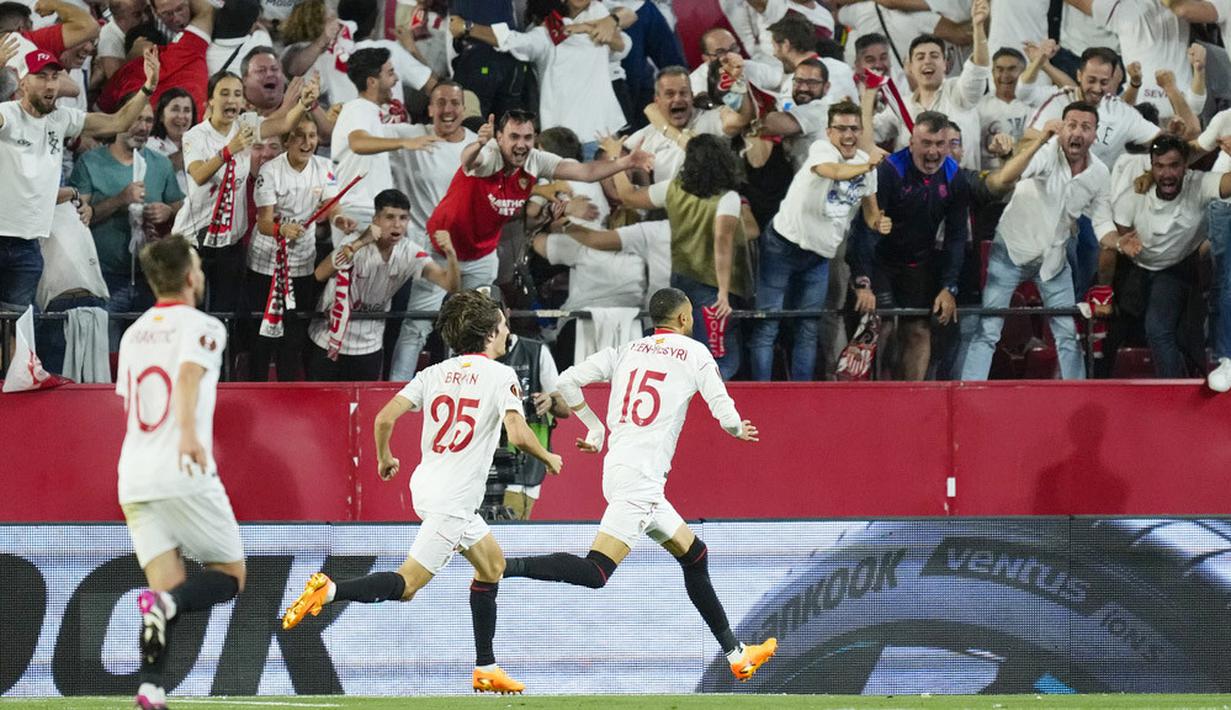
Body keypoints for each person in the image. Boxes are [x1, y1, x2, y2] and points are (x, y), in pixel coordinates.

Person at [282, 289, 562, 695]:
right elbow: (518, 434)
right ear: (489, 333)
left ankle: (486, 668)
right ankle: (329, 590)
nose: (507, 333)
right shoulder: (501, 376)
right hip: (453, 501)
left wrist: (384, 458)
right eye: (503, 326)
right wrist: (549, 456)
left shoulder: (433, 373)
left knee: (492, 566)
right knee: (408, 585)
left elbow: (383, 418)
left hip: (430, 487)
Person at [502, 286, 776, 681]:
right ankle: (505, 566)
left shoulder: (627, 350)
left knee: (695, 555)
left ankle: (737, 654)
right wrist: (737, 429)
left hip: (620, 471)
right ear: (683, 319)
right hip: (641, 482)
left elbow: (566, 380)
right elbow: (725, 412)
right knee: (596, 572)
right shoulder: (695, 353)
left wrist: (595, 427)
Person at [115, 236, 245, 710]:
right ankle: (166, 609)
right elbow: (188, 375)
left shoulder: (133, 334)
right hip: (181, 466)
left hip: (134, 473)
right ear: (191, 276)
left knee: (164, 588)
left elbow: (130, 403)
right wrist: (189, 434)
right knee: (230, 574)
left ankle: (151, 687)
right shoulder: (203, 326)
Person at [961, 103, 1120, 381]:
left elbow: (1103, 223)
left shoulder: (1100, 173)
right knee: (988, 330)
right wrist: (1040, 140)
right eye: (1071, 125)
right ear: (1061, 129)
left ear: (1095, 135)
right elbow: (1012, 175)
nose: (1077, 132)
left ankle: (1077, 394)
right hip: (1010, 252)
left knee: (1067, 334)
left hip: (1053, 262)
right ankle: (969, 392)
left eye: (1085, 127)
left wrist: (1120, 243)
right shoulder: (1046, 153)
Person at [0, 46, 161, 314]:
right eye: (41, 77)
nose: (50, 85)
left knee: (15, 329)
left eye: (54, 77)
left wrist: (148, 88)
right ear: (23, 82)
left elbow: (117, 123)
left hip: (28, 246)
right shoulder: (8, 114)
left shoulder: (62, 119)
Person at [749, 100, 888, 382]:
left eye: (854, 129)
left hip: (819, 255)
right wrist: (867, 165)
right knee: (768, 324)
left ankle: (801, 395)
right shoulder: (822, 150)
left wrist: (879, 222)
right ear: (829, 131)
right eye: (841, 128)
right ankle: (760, 395)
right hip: (783, 246)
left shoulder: (866, 165)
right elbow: (832, 172)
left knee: (808, 328)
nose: (848, 135)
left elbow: (871, 212)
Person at [170, 70, 320, 312]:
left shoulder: (246, 125)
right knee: (190, 311)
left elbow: (284, 123)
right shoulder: (195, 136)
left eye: (237, 94)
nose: (231, 99)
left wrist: (304, 103)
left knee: (226, 313)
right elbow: (198, 175)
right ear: (211, 100)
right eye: (224, 93)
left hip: (230, 241)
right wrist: (229, 150)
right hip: (194, 239)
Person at [608, 134, 751, 379]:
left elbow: (627, 196)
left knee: (685, 351)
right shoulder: (728, 198)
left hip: (681, 280)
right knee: (719, 356)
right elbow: (722, 243)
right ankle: (711, 397)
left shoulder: (672, 189)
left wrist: (615, 157)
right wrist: (723, 293)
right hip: (713, 286)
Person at [848, 110, 972, 381]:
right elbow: (865, 228)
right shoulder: (890, 171)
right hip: (880, 260)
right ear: (912, 142)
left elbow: (956, 236)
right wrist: (862, 281)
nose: (933, 152)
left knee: (918, 331)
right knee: (881, 328)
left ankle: (914, 397)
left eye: (940, 144)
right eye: (926, 143)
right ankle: (875, 396)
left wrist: (949, 286)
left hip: (917, 263)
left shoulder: (955, 177)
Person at [305, 189, 458, 381]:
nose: (397, 224)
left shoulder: (411, 252)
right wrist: (361, 242)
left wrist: (451, 254)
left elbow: (449, 285)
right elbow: (320, 273)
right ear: (376, 219)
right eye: (390, 217)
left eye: (403, 218)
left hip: (369, 347)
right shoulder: (354, 242)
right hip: (327, 340)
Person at [248, 115, 357, 381]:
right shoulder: (270, 171)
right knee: (261, 336)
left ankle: (288, 390)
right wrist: (281, 230)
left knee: (293, 336)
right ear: (287, 141)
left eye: (312, 136)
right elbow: (263, 222)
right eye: (299, 136)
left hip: (302, 263)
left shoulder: (324, 166)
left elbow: (332, 206)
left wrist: (339, 220)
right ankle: (256, 387)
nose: (307, 142)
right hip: (266, 263)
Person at [69, 99, 184, 350]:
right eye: (136, 119)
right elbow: (77, 219)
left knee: (149, 354)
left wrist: (167, 211)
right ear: (120, 117)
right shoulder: (91, 162)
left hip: (150, 278)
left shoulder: (161, 164)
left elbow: (180, 207)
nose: (143, 127)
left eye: (148, 120)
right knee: (105, 354)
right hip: (104, 277)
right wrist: (119, 200)